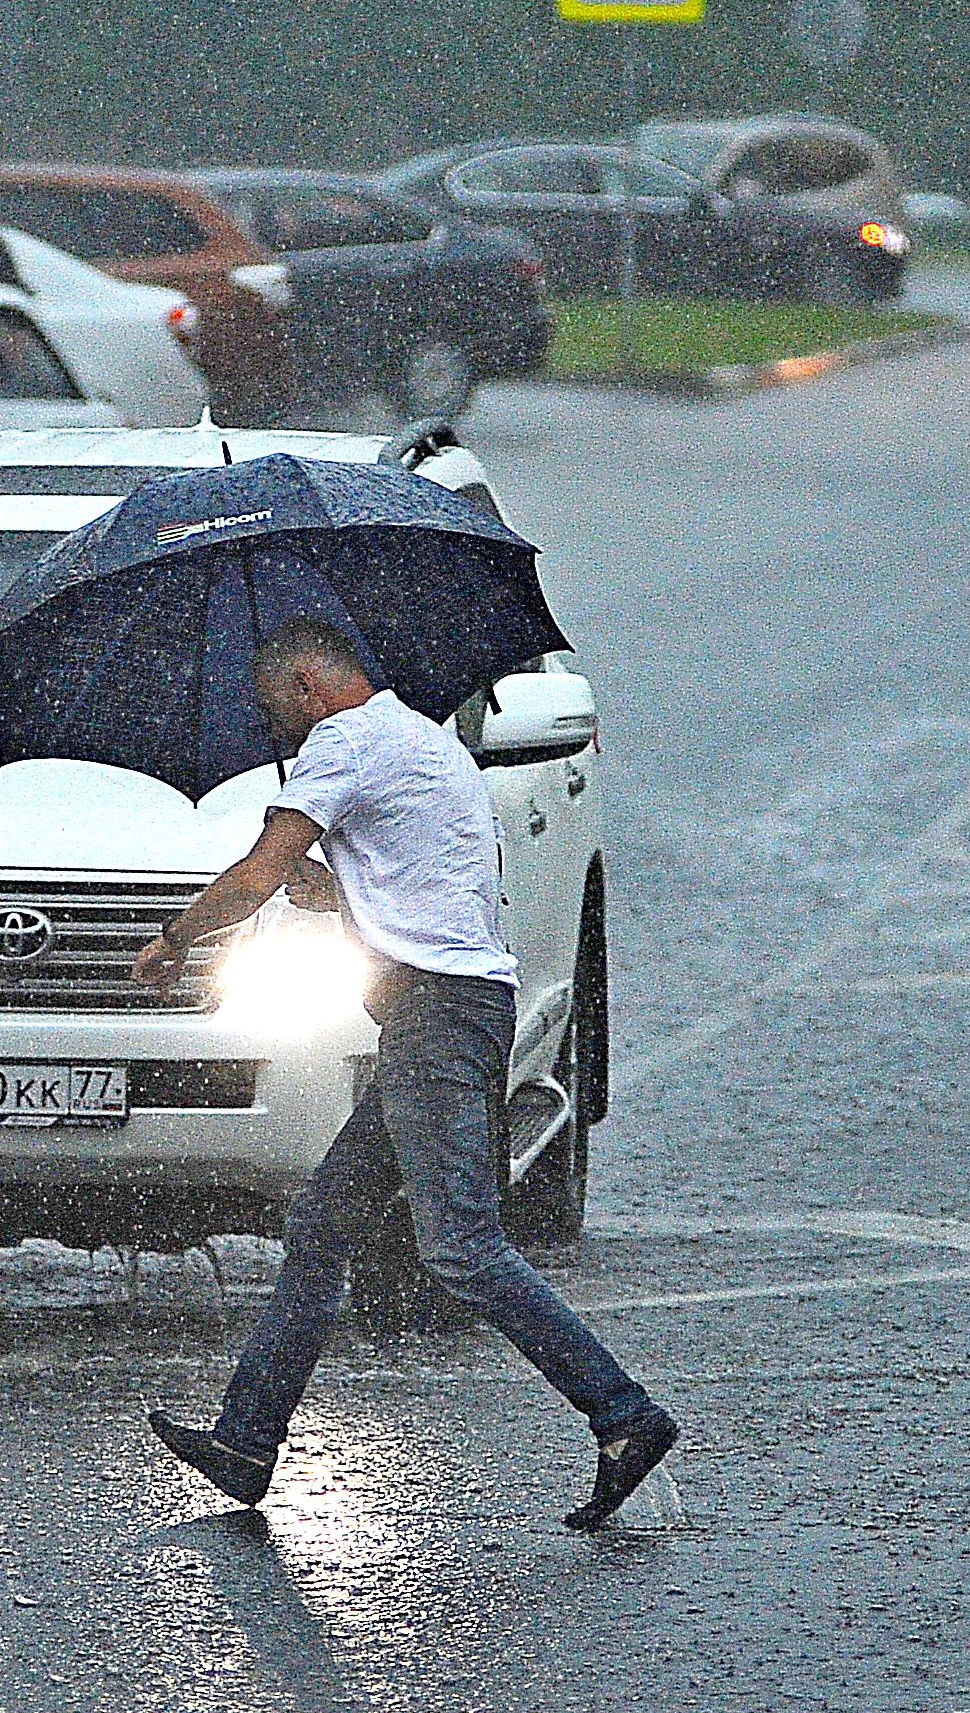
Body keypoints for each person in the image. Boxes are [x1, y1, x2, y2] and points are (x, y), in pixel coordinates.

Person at [137, 617, 678, 1532]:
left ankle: (624, 1415)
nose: (282, 734)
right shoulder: (425, 743)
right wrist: (341, 891)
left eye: (280, 714)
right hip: (450, 1013)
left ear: (311, 686)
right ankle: (246, 1439)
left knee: (462, 1247)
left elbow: (258, 871)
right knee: (321, 1222)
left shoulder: (343, 740)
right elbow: (425, 894)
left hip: (435, 1019)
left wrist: (175, 941)